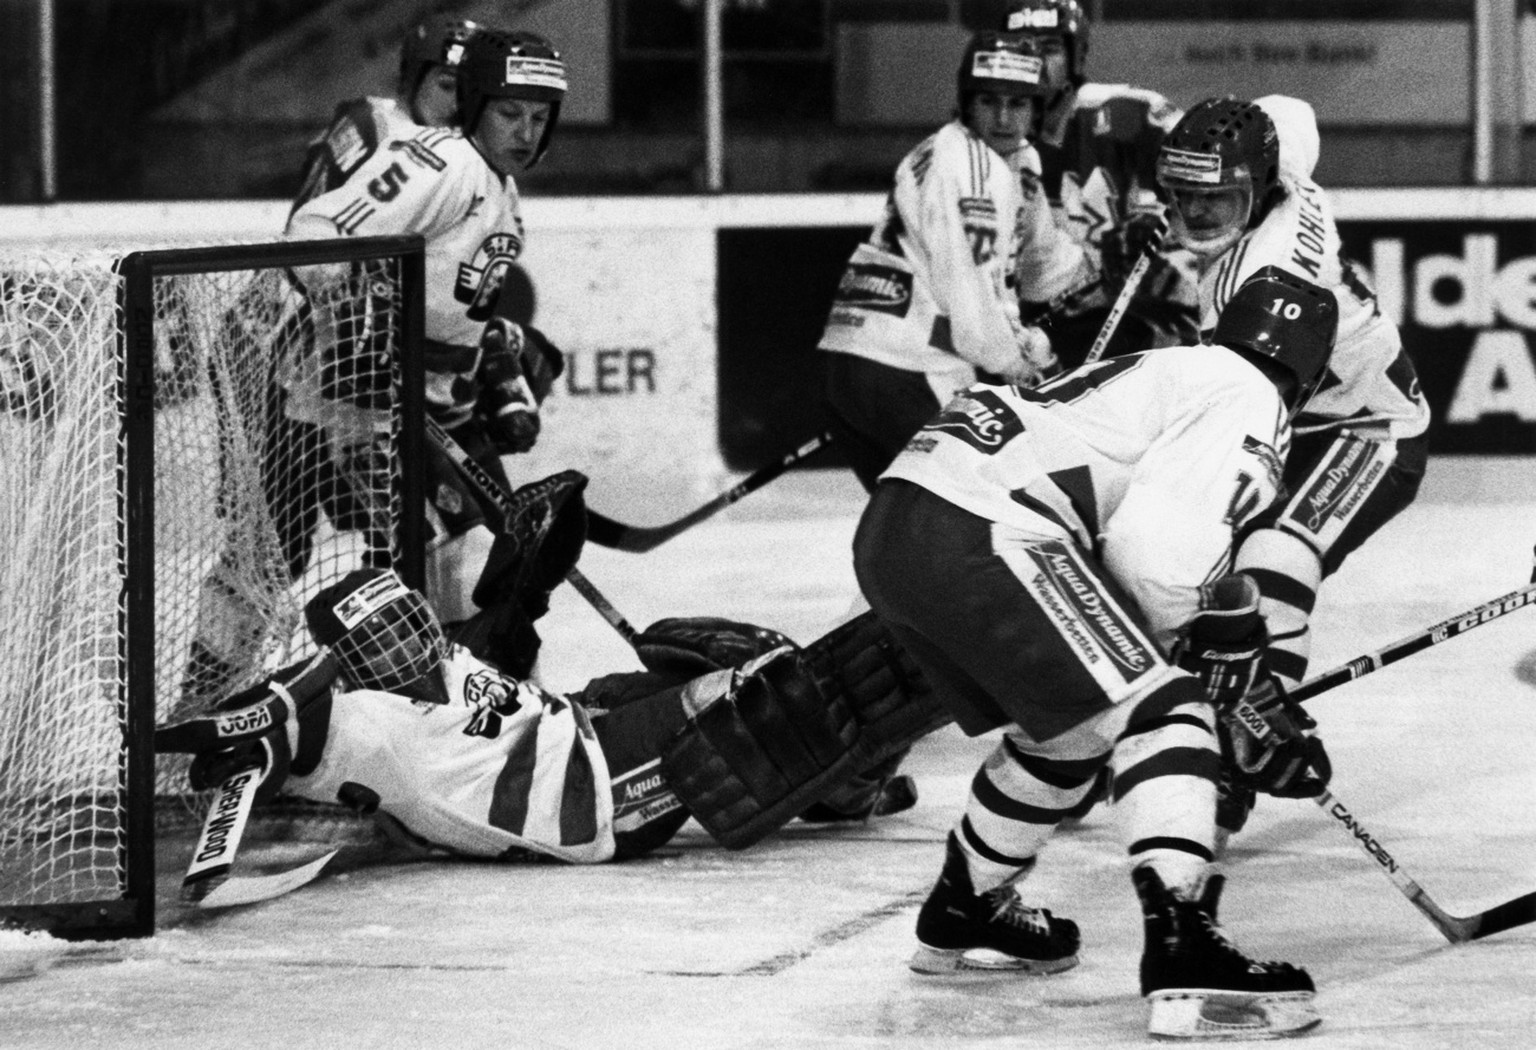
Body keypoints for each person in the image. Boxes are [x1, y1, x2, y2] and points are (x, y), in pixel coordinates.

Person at [851, 269, 1337, 1040]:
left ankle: (965, 908)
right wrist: (1221, 672)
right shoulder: (1252, 397)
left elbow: (1134, 558)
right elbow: (1157, 566)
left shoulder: (1174, 367)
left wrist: (1219, 642)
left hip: (899, 520)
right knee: (1164, 707)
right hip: (986, 527)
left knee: (1072, 729)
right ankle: (1183, 952)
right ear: (1310, 379)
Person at [181, 27, 572, 711]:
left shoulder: (493, 182)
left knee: (460, 558)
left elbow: (454, 310)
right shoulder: (443, 162)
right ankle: (201, 711)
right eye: (510, 112)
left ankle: (458, 715)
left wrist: (495, 368)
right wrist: (347, 300)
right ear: (476, 104)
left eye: (538, 118)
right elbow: (317, 231)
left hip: (401, 404)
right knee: (284, 559)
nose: (524, 131)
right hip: (332, 401)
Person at [156, 545, 953, 865]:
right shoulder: (371, 725)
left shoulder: (440, 657)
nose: (408, 645)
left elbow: (496, 645)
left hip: (587, 726)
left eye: (409, 622)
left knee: (717, 650)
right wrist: (249, 740)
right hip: (594, 799)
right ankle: (874, 758)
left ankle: (845, 788)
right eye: (385, 642)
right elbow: (288, 724)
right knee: (772, 690)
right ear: (354, 665)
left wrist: (526, 564)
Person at [1154, 95, 1432, 840]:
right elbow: (1289, 110)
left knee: (1270, 557)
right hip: (1307, 416)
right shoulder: (1288, 164)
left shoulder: (1269, 278)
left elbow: (1244, 423)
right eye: (1183, 194)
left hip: (1370, 429)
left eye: (1218, 198)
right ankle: (1231, 721)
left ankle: (1255, 727)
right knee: (1206, 571)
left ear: (1259, 187)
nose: (1198, 214)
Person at [816, 31, 1096, 494]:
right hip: (904, 369)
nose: (1004, 118)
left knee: (911, 528)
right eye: (989, 101)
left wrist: (1100, 273)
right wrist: (1023, 363)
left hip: (856, 362)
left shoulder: (1013, 162)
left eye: (1018, 103)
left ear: (1038, 108)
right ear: (968, 104)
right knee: (995, 501)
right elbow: (972, 311)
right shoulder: (967, 166)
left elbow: (1045, 266)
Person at [999, 0, 1199, 367]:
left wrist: (1155, 221)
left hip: (1129, 316)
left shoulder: (1128, 113)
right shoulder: (988, 141)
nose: (1036, 63)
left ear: (1078, 56)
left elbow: (1207, 171)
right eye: (1022, 50)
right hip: (1033, 329)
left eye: (1050, 49)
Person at [289, 14, 484, 213]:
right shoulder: (372, 126)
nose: (458, 105)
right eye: (447, 86)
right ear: (411, 77)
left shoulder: (472, 144)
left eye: (471, 93)